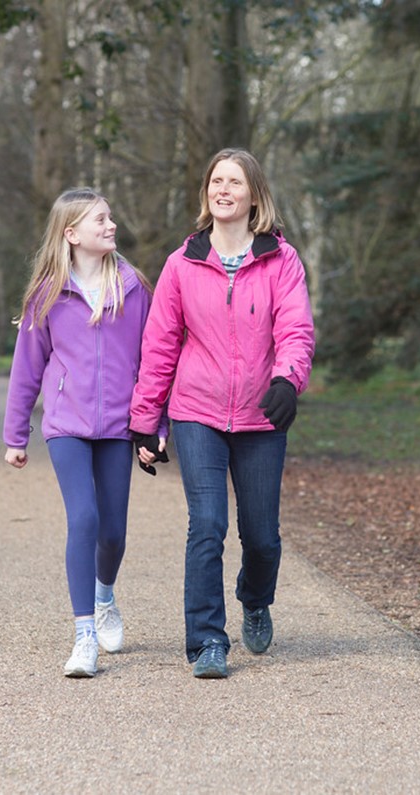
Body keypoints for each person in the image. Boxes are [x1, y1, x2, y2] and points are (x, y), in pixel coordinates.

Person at [129, 148, 316, 678]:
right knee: (206, 525)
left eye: (234, 181)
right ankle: (207, 640)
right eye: (216, 181)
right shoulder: (182, 263)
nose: (223, 189)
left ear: (254, 194)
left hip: (261, 416)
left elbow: (296, 331)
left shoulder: (281, 260)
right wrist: (146, 420)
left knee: (261, 536)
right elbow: (160, 344)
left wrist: (287, 379)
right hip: (197, 413)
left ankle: (255, 599)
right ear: (207, 193)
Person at [3, 188, 162, 678]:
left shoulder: (133, 287)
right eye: (100, 220)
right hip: (66, 426)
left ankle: (105, 595)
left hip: (119, 426)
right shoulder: (47, 294)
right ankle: (84, 635)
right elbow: (26, 369)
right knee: (85, 520)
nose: (111, 226)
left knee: (113, 531)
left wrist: (155, 427)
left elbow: (154, 361)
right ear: (71, 234)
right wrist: (15, 435)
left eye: (111, 218)